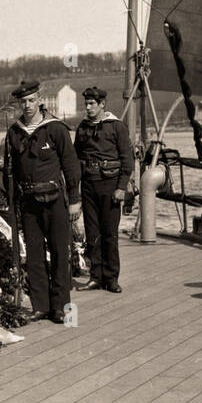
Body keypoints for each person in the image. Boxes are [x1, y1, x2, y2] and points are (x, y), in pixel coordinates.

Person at [3, 80, 81, 323]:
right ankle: (41, 306)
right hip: (29, 203)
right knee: (35, 255)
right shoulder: (14, 133)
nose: (27, 105)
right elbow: (10, 171)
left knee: (59, 252)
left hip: (55, 200)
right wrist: (11, 203)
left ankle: (60, 307)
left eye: (31, 100)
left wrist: (75, 201)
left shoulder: (55, 129)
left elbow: (71, 166)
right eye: (23, 102)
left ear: (40, 100)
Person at [74, 86, 135, 292]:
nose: (88, 108)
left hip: (110, 186)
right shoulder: (83, 127)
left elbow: (128, 160)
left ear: (102, 104)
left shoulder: (116, 127)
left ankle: (111, 278)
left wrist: (121, 188)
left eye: (92, 104)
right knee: (92, 234)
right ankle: (95, 276)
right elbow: (76, 157)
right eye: (86, 104)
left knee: (110, 233)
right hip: (89, 186)